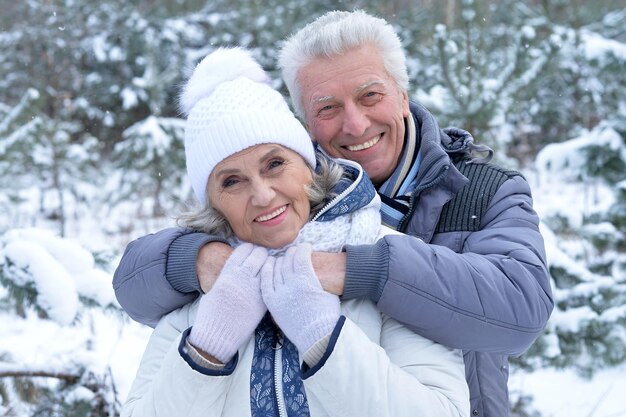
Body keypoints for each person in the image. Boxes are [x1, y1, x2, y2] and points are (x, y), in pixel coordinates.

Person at [113, 10, 553, 417]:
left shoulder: (481, 192)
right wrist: (197, 266)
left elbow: (520, 311)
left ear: (402, 96)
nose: (356, 124)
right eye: (327, 107)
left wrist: (353, 275)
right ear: (305, 129)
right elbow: (132, 284)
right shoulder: (226, 259)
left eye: (370, 95)